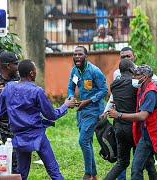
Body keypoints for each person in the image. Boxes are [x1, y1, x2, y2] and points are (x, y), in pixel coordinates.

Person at [0, 60, 72, 180]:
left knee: (21, 174)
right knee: (53, 171)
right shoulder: (37, 91)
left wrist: (15, 114)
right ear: (32, 73)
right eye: (36, 70)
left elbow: (0, 113)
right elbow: (51, 115)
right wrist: (65, 105)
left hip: (19, 137)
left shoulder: (8, 88)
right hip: (37, 136)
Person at [108, 65, 157, 179]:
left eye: (136, 75)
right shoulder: (141, 89)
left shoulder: (151, 92)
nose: (133, 78)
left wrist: (119, 115)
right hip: (145, 137)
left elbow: (143, 116)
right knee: (136, 169)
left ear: (144, 77)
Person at [68, 46, 108, 180]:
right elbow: (71, 87)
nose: (77, 56)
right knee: (88, 142)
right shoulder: (75, 71)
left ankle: (88, 173)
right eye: (75, 54)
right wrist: (71, 96)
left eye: (80, 54)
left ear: (86, 56)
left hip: (94, 111)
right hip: (82, 111)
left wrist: (89, 101)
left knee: (83, 140)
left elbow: (104, 90)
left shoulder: (94, 71)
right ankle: (94, 175)